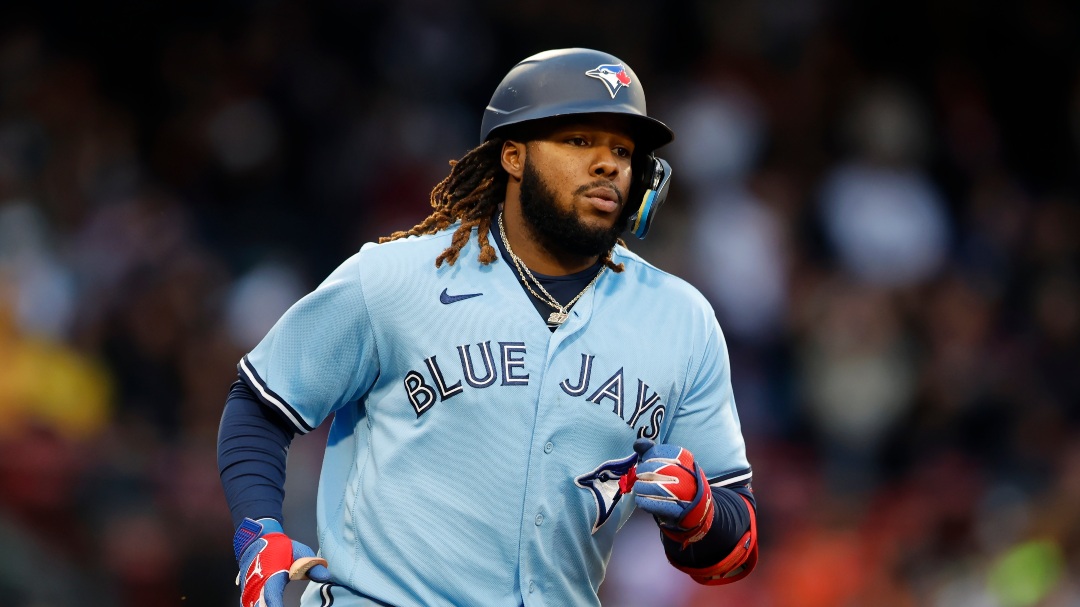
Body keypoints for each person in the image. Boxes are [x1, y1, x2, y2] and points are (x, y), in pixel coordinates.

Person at [217, 47, 758, 607]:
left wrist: (700, 516)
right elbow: (260, 404)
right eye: (578, 141)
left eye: (622, 150)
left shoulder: (681, 319)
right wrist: (258, 530)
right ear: (514, 156)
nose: (608, 164)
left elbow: (733, 550)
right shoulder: (394, 278)